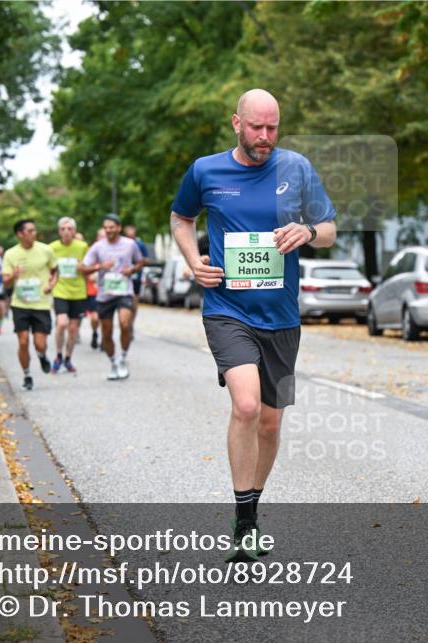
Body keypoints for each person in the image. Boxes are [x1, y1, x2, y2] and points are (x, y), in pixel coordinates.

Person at [170, 89, 337, 561]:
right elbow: (181, 218)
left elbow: (329, 229)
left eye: (273, 127)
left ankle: (251, 508)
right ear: (236, 124)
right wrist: (192, 261)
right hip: (227, 308)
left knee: (269, 422)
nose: (265, 137)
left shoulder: (297, 169)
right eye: (256, 127)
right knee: (245, 406)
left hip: (282, 317)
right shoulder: (206, 171)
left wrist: (307, 231)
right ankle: (244, 525)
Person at [81, 215, 143, 380]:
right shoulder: (98, 247)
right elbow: (82, 268)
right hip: (105, 294)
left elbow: (140, 262)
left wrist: (131, 270)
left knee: (124, 324)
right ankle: (113, 362)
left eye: (111, 227)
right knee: (106, 333)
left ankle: (123, 357)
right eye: (106, 227)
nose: (108, 230)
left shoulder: (130, 244)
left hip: (125, 292)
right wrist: (100, 266)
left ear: (119, 227)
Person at [2, 219, 59, 391]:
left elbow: (56, 270)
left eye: (35, 230)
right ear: (20, 234)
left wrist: (51, 284)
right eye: (30, 231)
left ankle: (42, 355)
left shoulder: (45, 250)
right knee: (24, 341)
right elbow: (5, 282)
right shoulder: (10, 254)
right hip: (20, 304)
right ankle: (27, 375)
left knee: (40, 343)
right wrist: (13, 274)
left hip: (41, 303)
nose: (34, 233)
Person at [49, 217, 89, 373]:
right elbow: (49, 269)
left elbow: (89, 266)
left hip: (78, 292)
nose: (66, 232)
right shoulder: (52, 248)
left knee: (73, 329)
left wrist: (83, 268)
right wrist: (49, 282)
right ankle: (58, 355)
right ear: (59, 231)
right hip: (60, 290)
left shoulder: (82, 246)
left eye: (69, 229)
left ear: (74, 231)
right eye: (63, 229)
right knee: (61, 323)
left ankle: (67, 358)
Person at [123, 225, 150, 312]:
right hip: (123, 276)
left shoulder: (140, 245)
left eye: (132, 236)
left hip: (136, 276)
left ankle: (131, 320)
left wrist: (140, 261)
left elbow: (147, 260)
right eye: (128, 237)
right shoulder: (121, 244)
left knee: (135, 297)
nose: (130, 239)